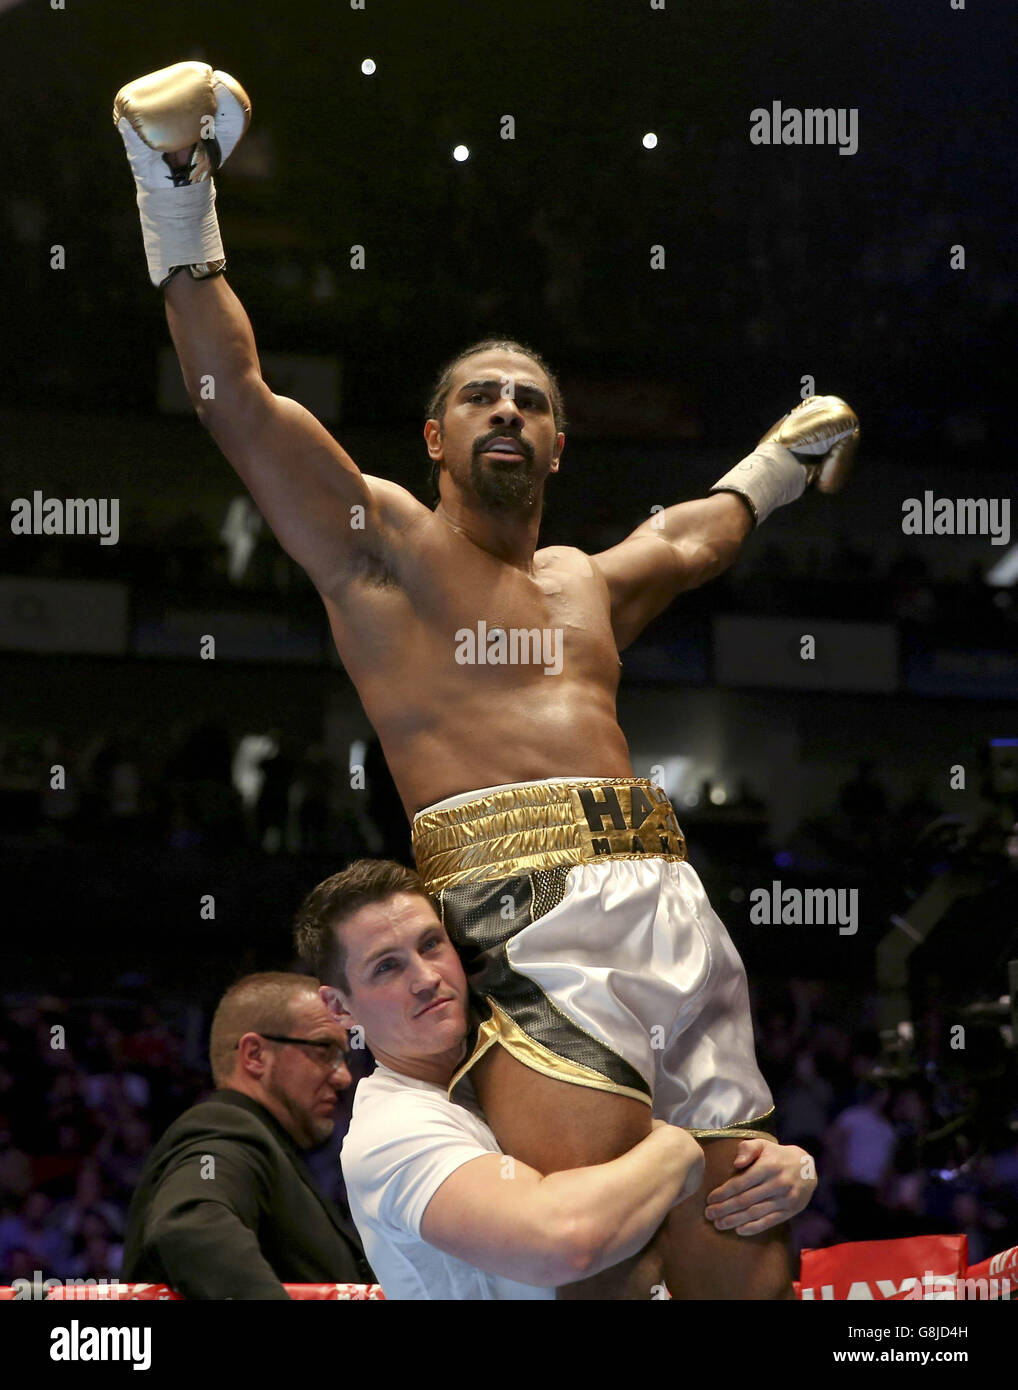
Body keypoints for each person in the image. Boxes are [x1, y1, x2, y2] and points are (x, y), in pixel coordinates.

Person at [114, 61, 856, 1299]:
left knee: (742, 1249)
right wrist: (176, 196)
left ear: (559, 442)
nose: (505, 410)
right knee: (602, 1258)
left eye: (530, 400)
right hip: (520, 914)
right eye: (479, 397)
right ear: (435, 437)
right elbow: (236, 403)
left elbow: (693, 538)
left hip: (670, 900)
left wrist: (780, 463)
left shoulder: (587, 582)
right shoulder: (386, 549)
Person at [296, 859, 817, 1300]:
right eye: (386, 968)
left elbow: (645, 1208)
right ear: (339, 1007)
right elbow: (566, 1243)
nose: (426, 978)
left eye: (431, 944)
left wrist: (772, 1172)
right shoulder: (390, 1130)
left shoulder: (517, 1067)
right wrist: (685, 1147)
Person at [121, 973, 372, 1299]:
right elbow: (190, 1225)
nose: (343, 1076)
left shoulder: (264, 1144)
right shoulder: (225, 1127)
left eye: (344, 1056)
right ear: (255, 1055)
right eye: (325, 1050)